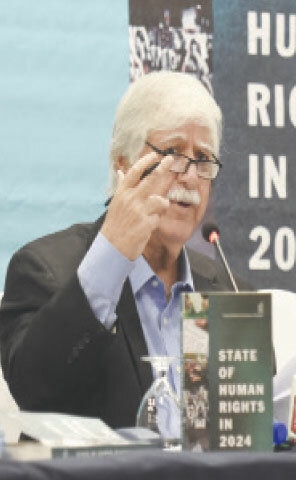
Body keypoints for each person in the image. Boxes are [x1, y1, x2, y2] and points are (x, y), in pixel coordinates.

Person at [0, 71, 244, 431]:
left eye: (203, 158)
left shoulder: (228, 290)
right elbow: (34, 390)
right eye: (173, 152)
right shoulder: (45, 269)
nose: (191, 176)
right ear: (123, 165)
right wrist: (112, 255)